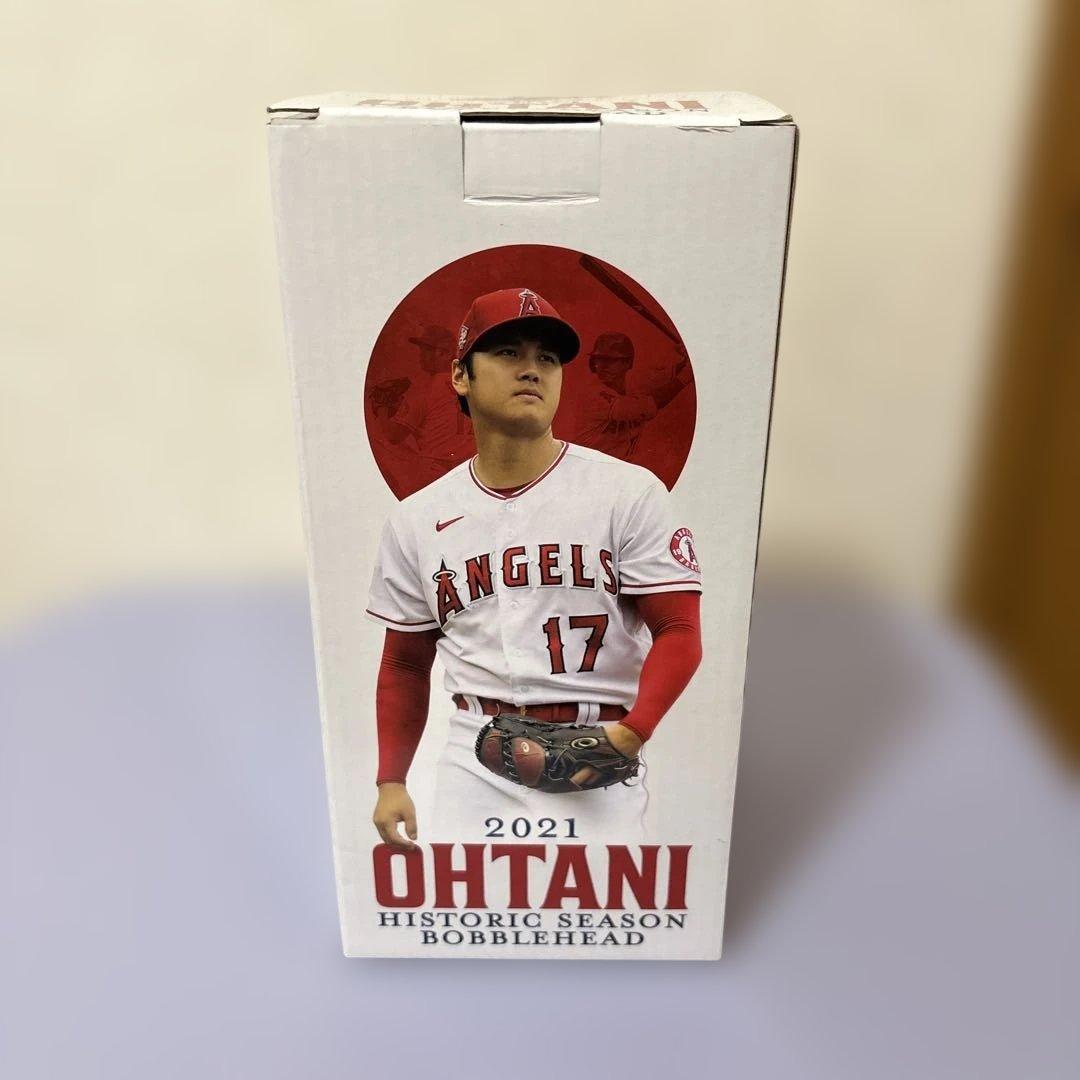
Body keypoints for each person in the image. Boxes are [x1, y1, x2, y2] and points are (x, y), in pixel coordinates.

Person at [366, 288, 703, 848]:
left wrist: (631, 734)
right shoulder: (417, 519)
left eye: (547, 358)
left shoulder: (627, 492)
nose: (532, 369)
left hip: (596, 751)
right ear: (460, 376)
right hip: (475, 755)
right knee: (470, 901)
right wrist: (391, 778)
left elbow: (680, 629)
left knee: (601, 900)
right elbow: (404, 662)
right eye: (508, 353)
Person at [573, 331, 693, 460]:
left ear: (628, 363)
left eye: (611, 360)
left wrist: (687, 359)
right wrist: (686, 376)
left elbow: (665, 378)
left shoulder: (632, 385)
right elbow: (648, 405)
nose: (603, 366)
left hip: (614, 464)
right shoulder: (593, 394)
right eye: (599, 359)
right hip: (589, 465)